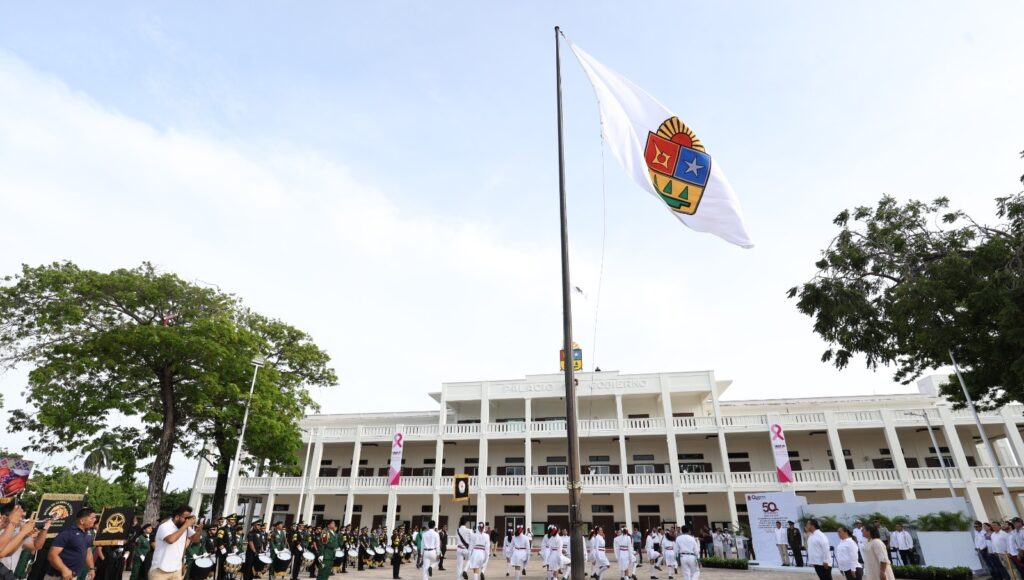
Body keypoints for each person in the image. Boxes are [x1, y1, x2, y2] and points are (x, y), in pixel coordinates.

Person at [150, 506, 201, 580]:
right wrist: (185, 525)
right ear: (177, 517)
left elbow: (195, 539)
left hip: (176, 570)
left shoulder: (185, 527)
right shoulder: (165, 526)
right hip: (160, 571)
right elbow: (171, 540)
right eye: (185, 518)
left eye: (188, 518)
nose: (187, 520)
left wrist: (199, 529)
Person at [45, 508, 98, 580]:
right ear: (82, 521)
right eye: (92, 518)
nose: (95, 520)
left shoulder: (88, 534)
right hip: (57, 576)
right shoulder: (67, 532)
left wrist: (91, 568)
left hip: (73, 576)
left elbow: (88, 551)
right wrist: (64, 570)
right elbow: (52, 555)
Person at [0, 503, 47, 576]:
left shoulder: (19, 530)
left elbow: (36, 546)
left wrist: (44, 528)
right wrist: (22, 531)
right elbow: (1, 553)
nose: (22, 520)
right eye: (18, 516)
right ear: (3, 517)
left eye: (23, 517)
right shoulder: (3, 531)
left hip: (7, 574)